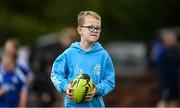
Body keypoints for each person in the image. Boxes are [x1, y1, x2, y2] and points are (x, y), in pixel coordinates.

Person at [50, 11, 115, 107]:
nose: (95, 30)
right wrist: (65, 86)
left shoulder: (103, 55)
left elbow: (109, 81)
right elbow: (55, 74)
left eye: (97, 28)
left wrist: (97, 89)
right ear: (80, 30)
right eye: (90, 27)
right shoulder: (69, 53)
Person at [152, 29, 180, 107]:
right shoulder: (162, 52)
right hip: (165, 82)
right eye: (172, 39)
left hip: (174, 82)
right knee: (164, 101)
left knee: (174, 101)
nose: (174, 41)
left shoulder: (174, 51)